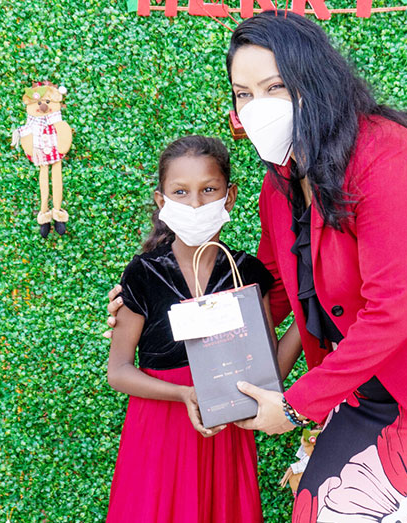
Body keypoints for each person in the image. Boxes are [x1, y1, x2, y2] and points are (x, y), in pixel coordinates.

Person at [109, 12, 407, 522]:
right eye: (244, 94)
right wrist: (169, 313)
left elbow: (392, 311)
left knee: (355, 508)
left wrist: (295, 405)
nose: (257, 108)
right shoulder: (278, 187)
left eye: (275, 86)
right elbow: (278, 288)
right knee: (321, 506)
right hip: (378, 376)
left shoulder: (388, 155)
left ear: (314, 82)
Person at [105, 135, 299, 522]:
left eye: (208, 190)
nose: (195, 203)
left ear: (229, 197)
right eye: (180, 192)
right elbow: (118, 370)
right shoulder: (144, 273)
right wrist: (184, 394)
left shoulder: (247, 274)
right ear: (162, 201)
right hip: (160, 431)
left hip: (226, 431)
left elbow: (269, 371)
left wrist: (308, 315)